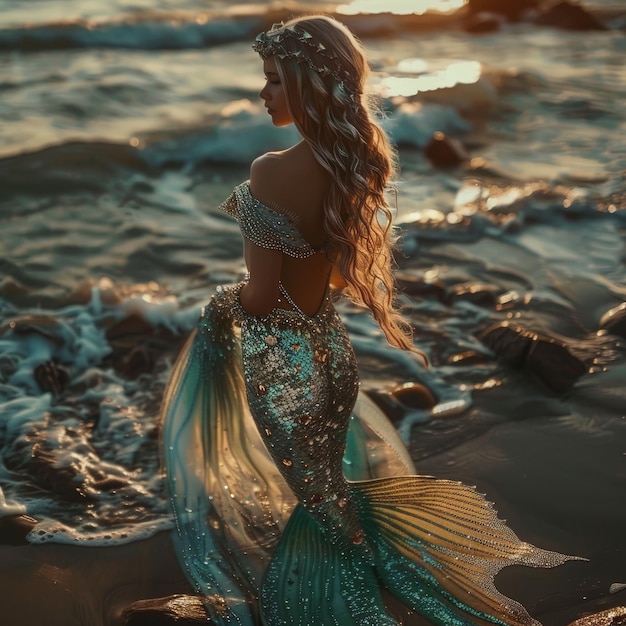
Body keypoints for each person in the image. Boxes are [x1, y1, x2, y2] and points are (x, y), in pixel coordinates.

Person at [161, 15, 578, 626]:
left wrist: (220, 304)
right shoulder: (352, 166)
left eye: (275, 81)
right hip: (332, 358)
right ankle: (372, 578)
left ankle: (350, 601)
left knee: (326, 510)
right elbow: (328, 280)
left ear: (307, 86)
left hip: (282, 367)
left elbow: (261, 295)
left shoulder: (269, 173)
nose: (263, 93)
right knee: (332, 492)